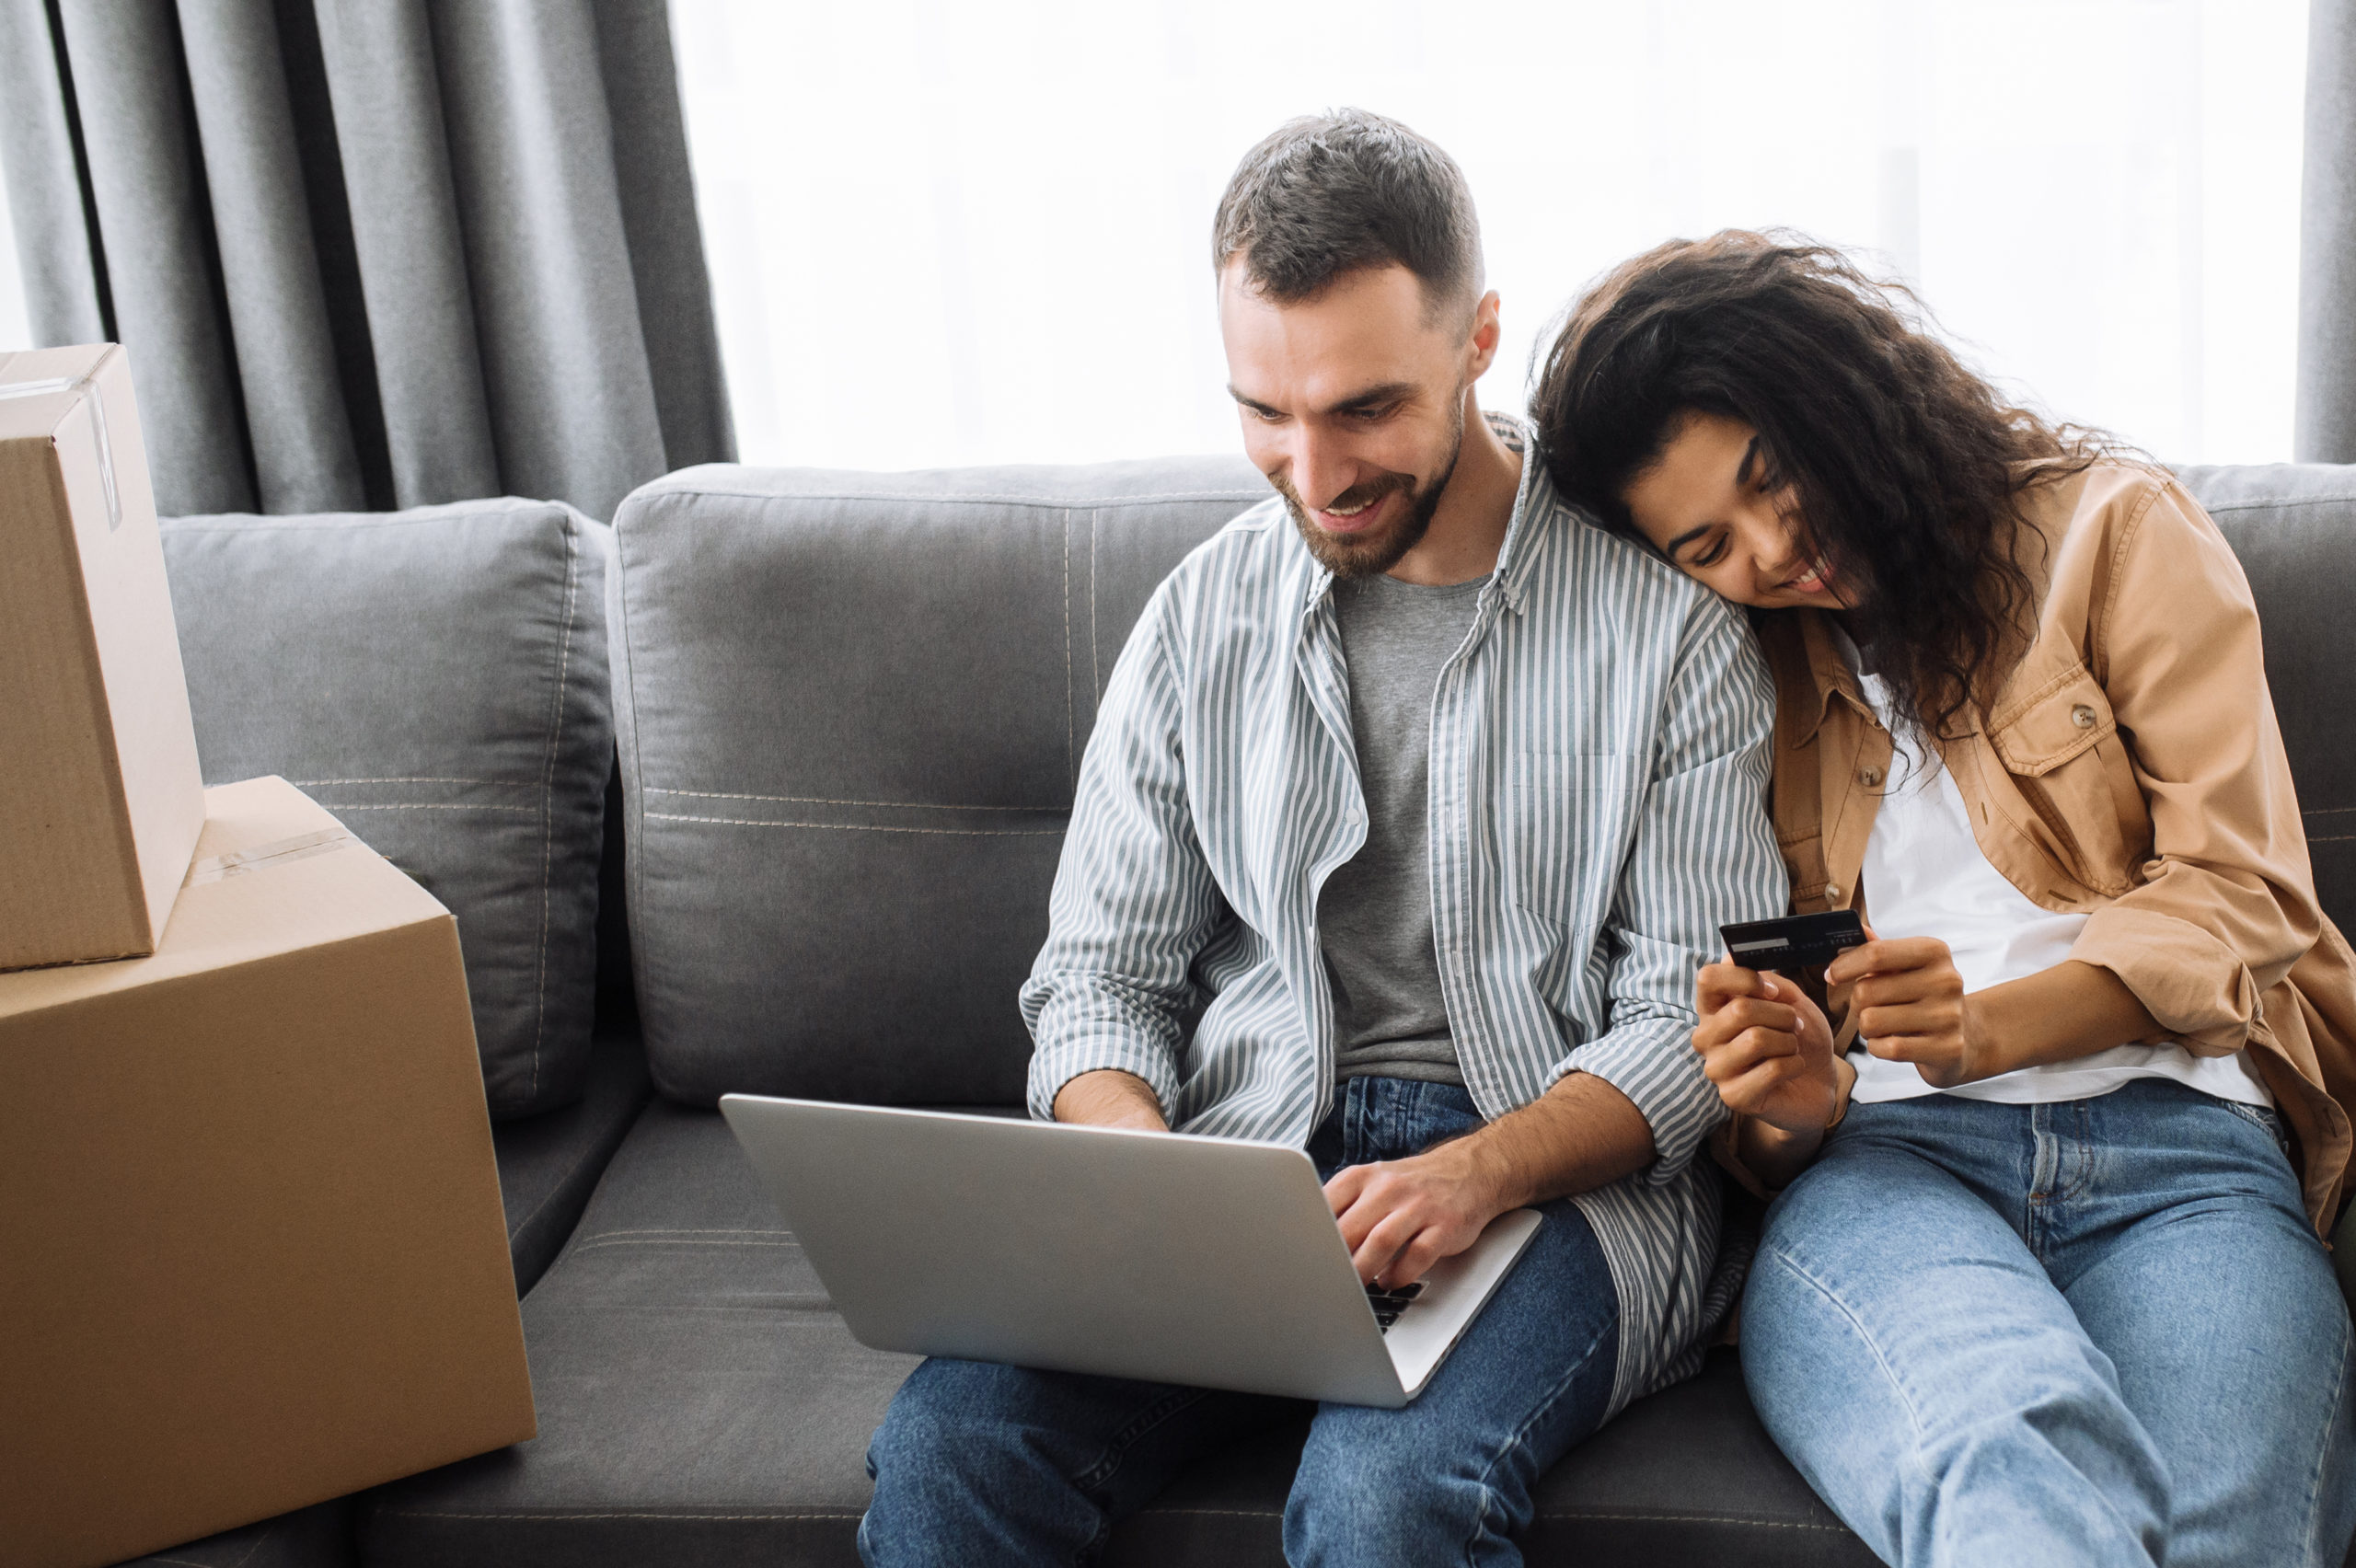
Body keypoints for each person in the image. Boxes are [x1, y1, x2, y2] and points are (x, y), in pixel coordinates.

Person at [855, 113, 1787, 1568]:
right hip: (1243, 1160)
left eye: (1364, 408)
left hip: (1553, 1176)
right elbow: (1099, 979)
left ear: (1479, 337)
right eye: (1264, 412)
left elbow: (1690, 1016)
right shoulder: (1198, 618)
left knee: (1384, 1504)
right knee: (948, 1453)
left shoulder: (1667, 627)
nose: (1312, 470)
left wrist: (1477, 1173)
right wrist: (1148, 1176)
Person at [1530, 229, 2356, 1568]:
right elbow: (1769, 1082)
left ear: (1841, 394)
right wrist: (1796, 1106)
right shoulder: (1729, 678)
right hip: (1888, 1177)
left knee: (2231, 1535)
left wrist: (1985, 1025)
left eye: (1772, 472)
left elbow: (2241, 893)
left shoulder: (2113, 531)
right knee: (2005, 1482)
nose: (1772, 547)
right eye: (1707, 543)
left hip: (2184, 1155)